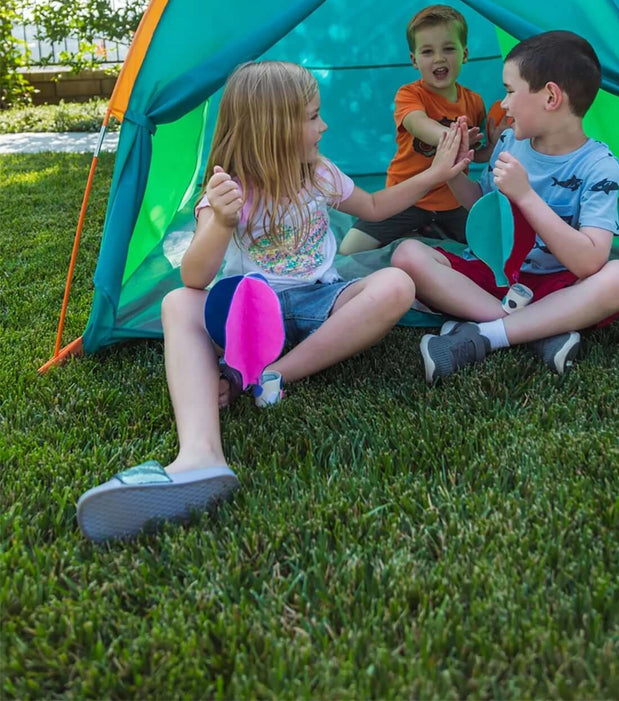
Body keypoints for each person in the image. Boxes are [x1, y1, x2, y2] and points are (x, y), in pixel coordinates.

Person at [76, 60, 470, 541]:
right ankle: (200, 457)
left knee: (396, 286)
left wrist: (434, 176)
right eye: (312, 117)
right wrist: (220, 221)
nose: (323, 126)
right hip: (253, 314)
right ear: (272, 126)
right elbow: (195, 277)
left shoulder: (319, 173)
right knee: (179, 303)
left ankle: (268, 376)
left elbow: (371, 207)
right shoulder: (228, 189)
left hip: (324, 302)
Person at [390, 30, 619, 380]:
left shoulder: (598, 166)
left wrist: (525, 195)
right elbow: (484, 208)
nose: (503, 104)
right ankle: (539, 331)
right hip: (497, 279)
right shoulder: (509, 142)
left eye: (510, 91)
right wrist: (452, 173)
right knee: (407, 255)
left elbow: (589, 262)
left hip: (559, 285)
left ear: (550, 96)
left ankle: (487, 335)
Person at [339, 4, 506, 255]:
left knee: (494, 247)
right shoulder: (410, 94)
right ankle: (412, 231)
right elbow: (417, 123)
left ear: (465, 54)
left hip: (453, 203)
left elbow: (473, 152)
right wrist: (453, 138)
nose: (439, 58)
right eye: (428, 52)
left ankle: (425, 234)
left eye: (449, 48)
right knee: (349, 249)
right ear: (414, 60)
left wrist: (488, 150)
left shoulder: (473, 101)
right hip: (407, 199)